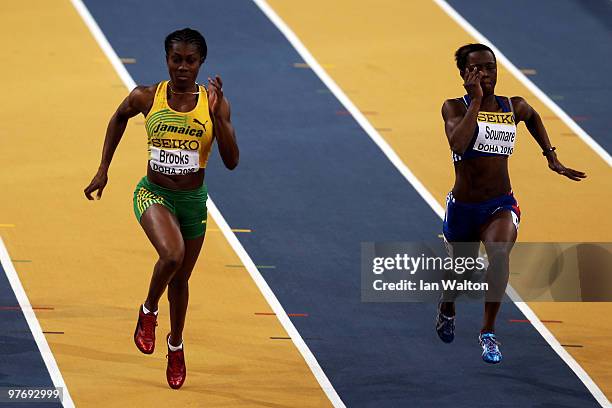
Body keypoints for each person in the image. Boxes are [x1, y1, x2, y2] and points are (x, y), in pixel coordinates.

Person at [84, 28, 239, 388]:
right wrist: (103, 168)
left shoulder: (214, 103)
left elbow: (231, 161)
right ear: (167, 59)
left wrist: (217, 118)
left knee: (181, 280)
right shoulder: (147, 96)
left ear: (201, 63)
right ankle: (148, 311)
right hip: (153, 193)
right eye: (176, 60)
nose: (182, 67)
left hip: (192, 200)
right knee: (171, 256)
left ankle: (176, 344)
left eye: (190, 61)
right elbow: (118, 117)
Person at [436, 43, 585, 364]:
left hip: (500, 204)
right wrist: (476, 99)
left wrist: (552, 157)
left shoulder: (512, 105)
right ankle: (447, 305)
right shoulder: (454, 107)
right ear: (464, 73)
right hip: (463, 207)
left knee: (499, 256)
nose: (486, 74)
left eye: (491, 67)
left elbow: (532, 117)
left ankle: (488, 333)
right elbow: (458, 144)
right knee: (459, 276)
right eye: (477, 68)